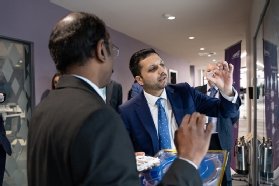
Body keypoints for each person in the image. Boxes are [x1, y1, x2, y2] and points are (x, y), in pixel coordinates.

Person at [27, 12, 213, 186]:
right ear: (101, 50)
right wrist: (188, 160)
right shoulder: (98, 117)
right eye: (112, 49)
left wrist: (120, 160)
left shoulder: (43, 108)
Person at [119, 48, 241, 156]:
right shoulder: (127, 111)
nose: (162, 71)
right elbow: (122, 151)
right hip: (153, 179)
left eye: (162, 64)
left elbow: (225, 111)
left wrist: (227, 90)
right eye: (153, 69)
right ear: (140, 79)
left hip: (188, 173)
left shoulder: (185, 92)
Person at [195, 64, 240, 186]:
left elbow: (234, 115)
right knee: (203, 172)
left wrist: (225, 125)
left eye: (214, 70)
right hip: (202, 139)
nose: (212, 73)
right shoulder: (196, 91)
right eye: (208, 70)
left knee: (224, 174)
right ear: (205, 74)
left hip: (222, 137)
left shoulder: (226, 90)